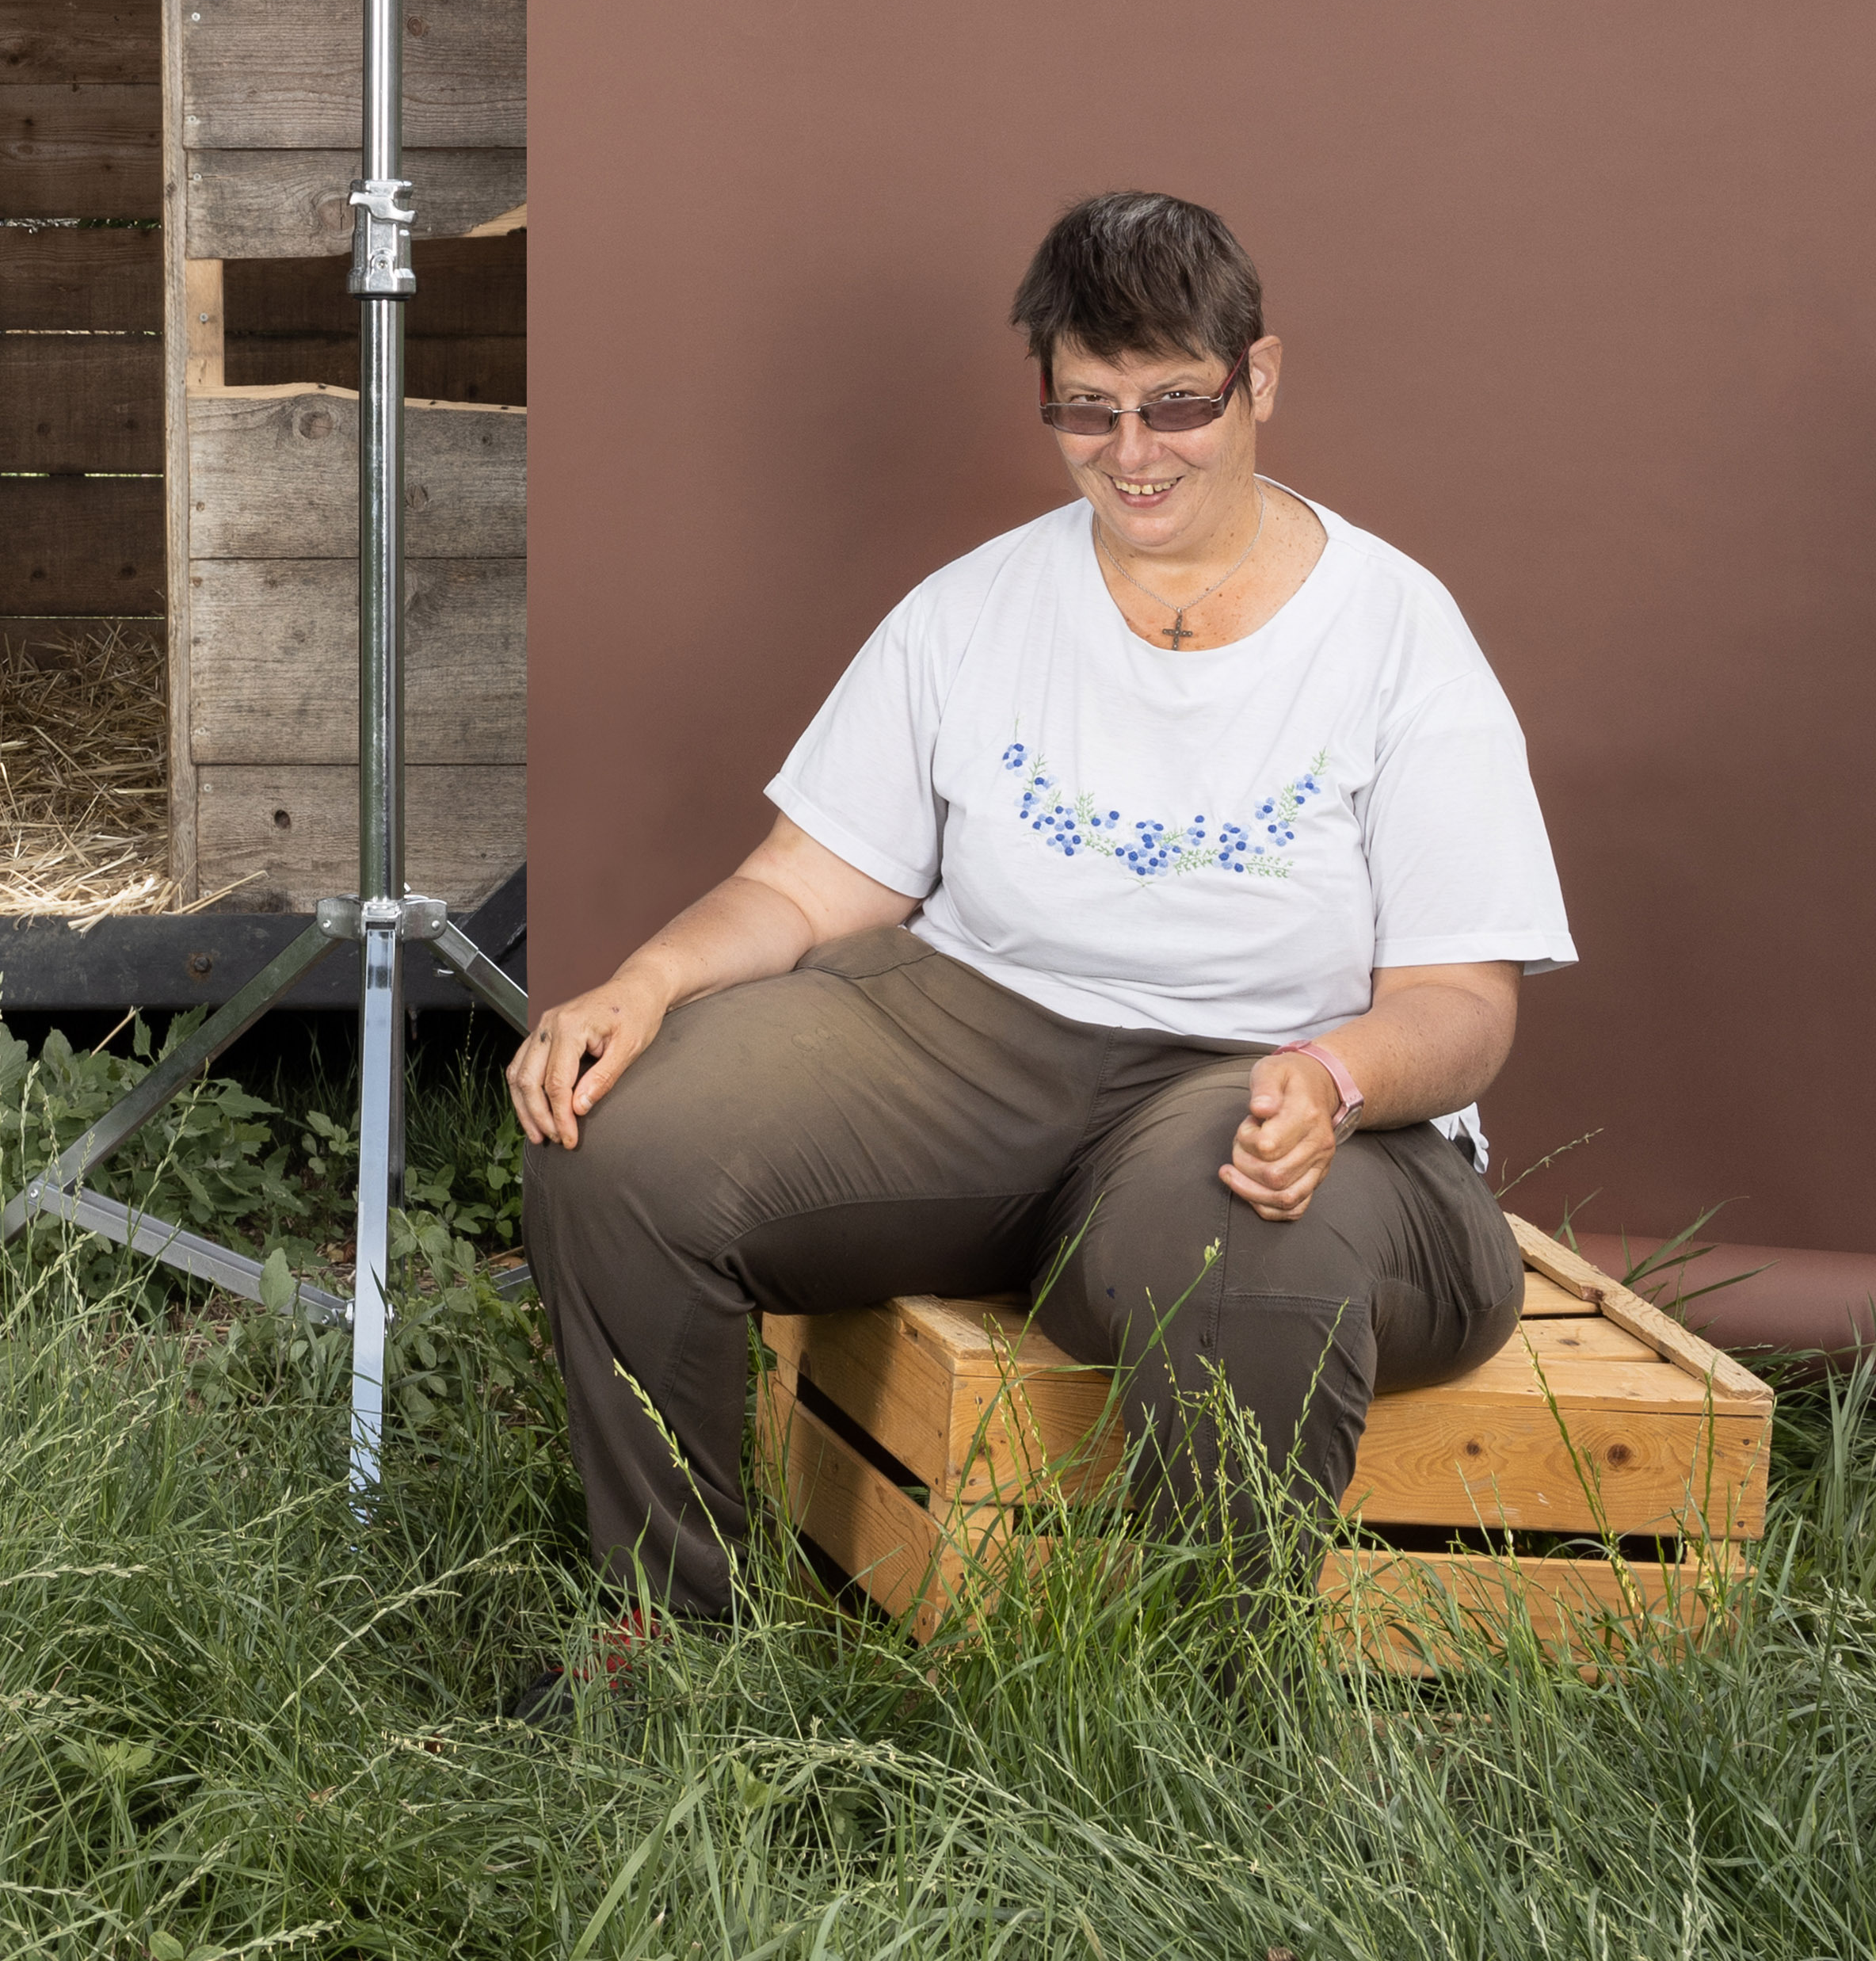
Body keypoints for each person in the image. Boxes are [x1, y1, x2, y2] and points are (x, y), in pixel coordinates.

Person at [509, 192, 1574, 1699]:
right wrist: (647, 980)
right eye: (1087, 410)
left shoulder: (1398, 634)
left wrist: (1339, 1077)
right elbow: (801, 885)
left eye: (1175, 404)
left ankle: (1200, 1725)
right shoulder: (974, 610)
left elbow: (1464, 1003)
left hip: (1269, 1078)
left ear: (1260, 378)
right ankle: (669, 1651)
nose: (1132, 453)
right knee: (620, 1133)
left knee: (1232, 1240)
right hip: (978, 1037)